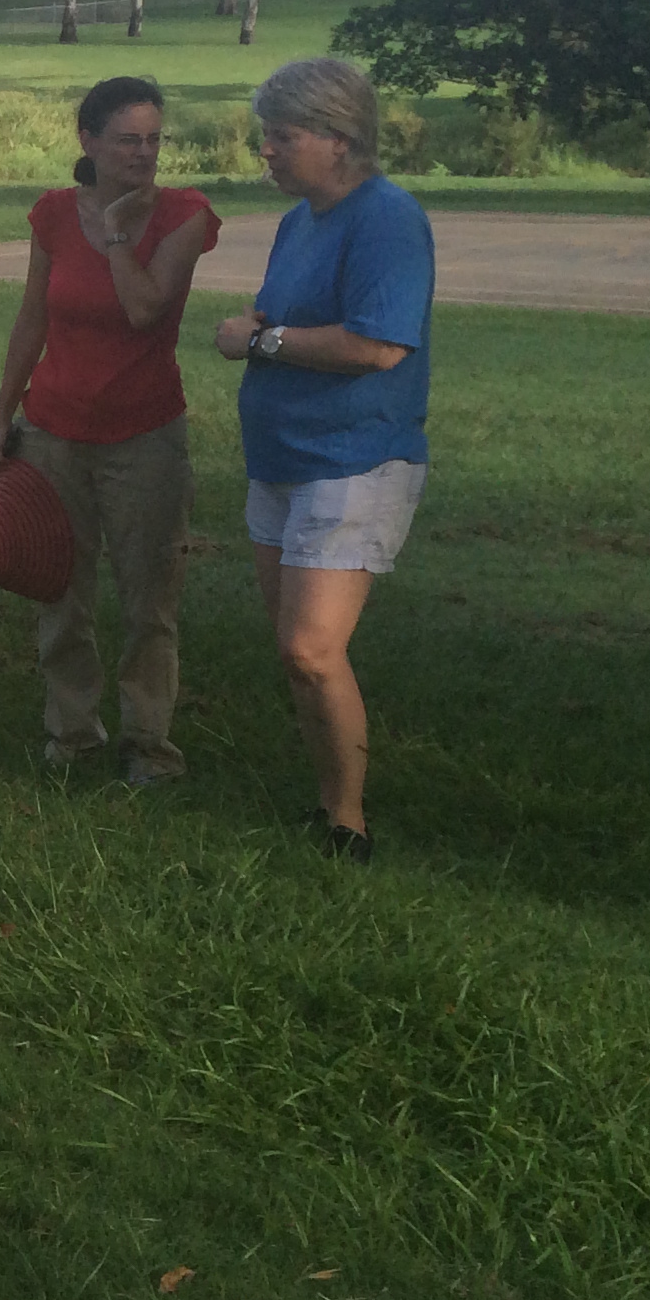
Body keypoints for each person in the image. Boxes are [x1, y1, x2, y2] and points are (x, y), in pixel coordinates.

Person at [212, 56, 435, 859]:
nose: (264, 150)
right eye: (265, 134)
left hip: (354, 459)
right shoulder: (299, 219)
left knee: (312, 648)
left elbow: (378, 344)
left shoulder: (386, 219)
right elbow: (282, 312)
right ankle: (327, 803)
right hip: (280, 455)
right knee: (293, 650)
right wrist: (257, 326)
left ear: (339, 140)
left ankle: (349, 827)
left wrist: (262, 340)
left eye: (283, 135)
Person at [0, 77, 222, 785]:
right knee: (60, 593)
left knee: (150, 599)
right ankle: (72, 739)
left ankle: (149, 748)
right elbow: (35, 318)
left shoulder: (185, 214)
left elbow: (146, 307)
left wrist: (119, 230)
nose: (143, 154)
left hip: (144, 434)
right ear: (88, 141)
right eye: (127, 139)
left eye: (154, 140)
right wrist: (5, 411)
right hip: (54, 429)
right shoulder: (55, 215)